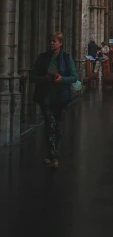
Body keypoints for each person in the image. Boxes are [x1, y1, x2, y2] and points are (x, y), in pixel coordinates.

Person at [30, 31, 78, 169]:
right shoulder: (42, 58)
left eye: (54, 41)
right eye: (50, 40)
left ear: (60, 43)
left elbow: (74, 77)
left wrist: (62, 79)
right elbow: (32, 76)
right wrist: (43, 79)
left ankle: (50, 153)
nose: (51, 43)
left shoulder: (66, 58)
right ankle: (54, 156)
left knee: (58, 127)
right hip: (46, 98)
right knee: (50, 126)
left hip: (61, 97)